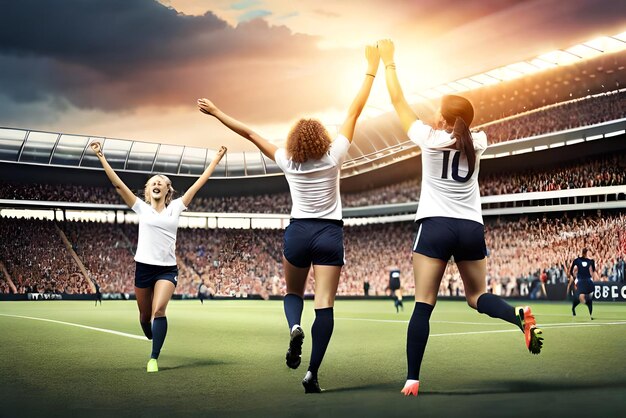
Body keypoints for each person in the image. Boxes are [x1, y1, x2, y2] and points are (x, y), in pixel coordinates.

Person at [198, 44, 380, 393]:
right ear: (324, 138)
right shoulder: (335, 156)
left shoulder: (287, 160)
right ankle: (312, 373)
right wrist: (370, 70)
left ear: (294, 140)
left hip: (298, 232)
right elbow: (355, 110)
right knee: (325, 304)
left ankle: (294, 326)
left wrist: (218, 113)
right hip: (330, 233)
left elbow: (251, 133)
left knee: (293, 292)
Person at [377, 39, 544, 397]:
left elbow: (398, 102)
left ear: (442, 118)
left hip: (435, 225)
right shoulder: (479, 140)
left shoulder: (427, 137)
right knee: (477, 295)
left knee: (423, 304)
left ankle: (412, 379)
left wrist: (389, 62)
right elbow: (465, 129)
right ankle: (516, 316)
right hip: (470, 227)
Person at [90, 141, 227, 372]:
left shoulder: (176, 207)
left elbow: (199, 183)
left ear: (167, 190)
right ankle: (148, 331)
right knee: (145, 317)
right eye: (153, 182)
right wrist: (101, 156)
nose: (156, 184)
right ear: (148, 190)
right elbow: (118, 185)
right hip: (143, 268)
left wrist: (216, 159)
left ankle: (153, 357)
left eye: (161, 182)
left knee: (159, 310)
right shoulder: (141, 208)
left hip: (167, 269)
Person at [567, 247, 596, 319]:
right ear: (587, 253)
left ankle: (575, 308)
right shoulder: (590, 261)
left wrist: (574, 278)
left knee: (580, 298)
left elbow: (571, 271)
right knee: (586, 298)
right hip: (587, 281)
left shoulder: (577, 260)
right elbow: (594, 269)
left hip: (581, 280)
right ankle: (590, 314)